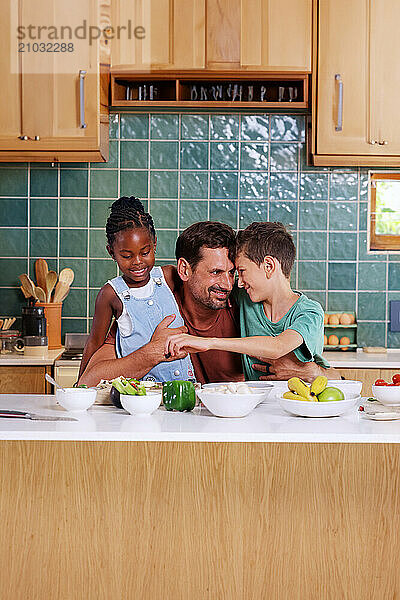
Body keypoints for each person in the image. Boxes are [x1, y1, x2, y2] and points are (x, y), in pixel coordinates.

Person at [79, 221, 340, 387]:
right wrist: (154, 352)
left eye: (233, 272)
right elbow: (90, 380)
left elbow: (334, 379)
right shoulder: (154, 307)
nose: (228, 284)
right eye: (216, 272)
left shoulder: (245, 303)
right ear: (184, 269)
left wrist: (311, 371)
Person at [166, 222, 330, 381]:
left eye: (241, 271)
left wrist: (208, 343)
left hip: (302, 404)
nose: (235, 284)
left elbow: (278, 347)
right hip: (259, 405)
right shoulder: (246, 298)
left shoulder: (310, 311)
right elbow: (182, 276)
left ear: (268, 266)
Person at [78, 196, 195, 382]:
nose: (138, 262)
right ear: (112, 253)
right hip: (139, 393)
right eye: (126, 255)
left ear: (154, 244)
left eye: (145, 252)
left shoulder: (168, 277)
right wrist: (80, 386)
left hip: (185, 386)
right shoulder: (110, 294)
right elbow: (94, 342)